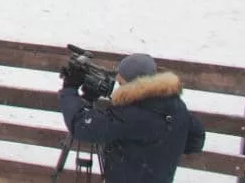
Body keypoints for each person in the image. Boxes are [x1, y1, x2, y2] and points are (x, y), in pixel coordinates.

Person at [59, 53, 206, 183]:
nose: (118, 87)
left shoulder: (130, 116)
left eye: (121, 83)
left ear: (134, 84)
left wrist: (69, 89)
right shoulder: (176, 106)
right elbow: (196, 140)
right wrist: (160, 149)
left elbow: (81, 125)